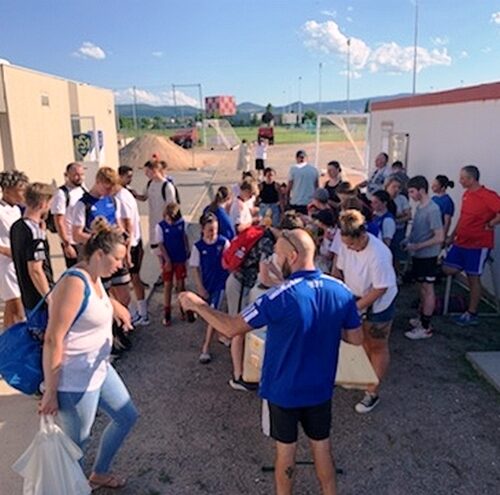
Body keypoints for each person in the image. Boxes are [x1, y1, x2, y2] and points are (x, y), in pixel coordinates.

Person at [179, 229, 363, 495]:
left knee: (286, 452)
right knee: (322, 446)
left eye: (278, 255)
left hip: (283, 390)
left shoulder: (279, 297)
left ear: (292, 256)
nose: (276, 260)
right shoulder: (341, 290)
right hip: (320, 388)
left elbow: (231, 328)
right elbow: (356, 340)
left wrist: (198, 305)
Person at [39, 219, 138, 490]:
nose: (121, 264)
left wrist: (115, 306)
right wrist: (51, 392)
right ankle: (72, 487)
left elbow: (92, 303)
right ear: (99, 255)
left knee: (127, 416)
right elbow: (53, 339)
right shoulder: (74, 283)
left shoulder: (95, 277)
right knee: (77, 445)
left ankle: (98, 474)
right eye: (117, 259)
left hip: (99, 370)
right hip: (75, 380)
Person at [334, 209, 398, 414]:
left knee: (377, 345)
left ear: (362, 235)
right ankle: (362, 376)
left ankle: (372, 392)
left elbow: (380, 288)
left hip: (378, 303)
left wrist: (354, 308)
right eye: (346, 244)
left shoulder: (379, 254)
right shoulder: (346, 243)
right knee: (359, 340)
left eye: (352, 244)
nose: (349, 248)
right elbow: (339, 269)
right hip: (355, 295)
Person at [443, 165, 500, 326]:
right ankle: (461, 301)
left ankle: (471, 313)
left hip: (478, 245)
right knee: (447, 268)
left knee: (473, 277)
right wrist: (452, 236)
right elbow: (463, 218)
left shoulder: (487, 195)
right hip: (461, 242)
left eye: (462, 178)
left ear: (471, 179)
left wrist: (491, 223)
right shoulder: (467, 194)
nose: (460, 181)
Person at [72, 167, 130, 301]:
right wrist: (100, 241)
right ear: (98, 182)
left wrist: (124, 239)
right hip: (99, 257)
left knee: (124, 297)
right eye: (107, 188)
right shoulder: (83, 204)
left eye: (112, 189)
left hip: (115, 254)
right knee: (103, 297)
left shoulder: (112, 200)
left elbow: (118, 225)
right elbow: (76, 235)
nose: (109, 192)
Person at [404, 176, 444, 340]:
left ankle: (426, 327)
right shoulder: (420, 207)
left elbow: (439, 237)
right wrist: (409, 241)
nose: (411, 195)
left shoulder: (433, 210)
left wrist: (418, 246)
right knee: (421, 288)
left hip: (428, 256)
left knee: (428, 289)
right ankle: (422, 318)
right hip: (418, 255)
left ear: (421, 190)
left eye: (412, 192)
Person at [189, 212, 230, 363]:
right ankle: (221, 335)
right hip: (207, 283)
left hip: (220, 283)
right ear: (202, 229)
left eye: (215, 229)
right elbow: (195, 268)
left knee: (213, 312)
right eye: (210, 230)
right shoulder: (198, 247)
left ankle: (206, 347)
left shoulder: (223, 242)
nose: (213, 233)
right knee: (210, 312)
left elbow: (229, 262)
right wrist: (200, 287)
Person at [10, 182, 54, 316]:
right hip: (39, 300)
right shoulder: (34, 232)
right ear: (43, 204)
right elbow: (35, 270)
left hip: (27, 296)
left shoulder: (16, 226)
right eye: (49, 203)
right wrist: (49, 298)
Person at [117, 165, 149, 325]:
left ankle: (140, 313)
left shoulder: (124, 195)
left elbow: (128, 223)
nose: (130, 179)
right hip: (134, 240)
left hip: (133, 242)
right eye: (128, 176)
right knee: (131, 279)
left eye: (131, 176)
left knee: (133, 279)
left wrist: (128, 248)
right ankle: (138, 312)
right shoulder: (124, 194)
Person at [0, 170, 28, 327]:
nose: (23, 193)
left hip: (17, 261)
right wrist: (6, 250)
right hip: (5, 264)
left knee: (11, 307)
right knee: (17, 306)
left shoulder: (17, 210)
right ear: (7, 190)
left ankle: (6, 339)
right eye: (20, 190)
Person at [155, 202, 190, 326]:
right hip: (168, 259)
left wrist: (187, 249)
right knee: (168, 285)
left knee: (181, 285)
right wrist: (167, 260)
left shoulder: (182, 223)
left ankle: (184, 308)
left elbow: (184, 237)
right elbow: (160, 244)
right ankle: (167, 312)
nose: (170, 222)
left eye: (172, 220)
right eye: (168, 219)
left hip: (180, 258)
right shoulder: (160, 227)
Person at [134, 159, 176, 253]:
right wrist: (134, 194)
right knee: (156, 250)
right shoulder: (150, 184)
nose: (145, 174)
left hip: (164, 224)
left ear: (154, 170)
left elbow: (172, 207)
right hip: (153, 224)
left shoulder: (167, 186)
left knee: (165, 251)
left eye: (147, 171)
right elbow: (144, 197)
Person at [50, 162, 86, 268]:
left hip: (84, 239)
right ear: (67, 175)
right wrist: (67, 244)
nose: (79, 177)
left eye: (82, 174)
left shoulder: (83, 190)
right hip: (72, 242)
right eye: (76, 175)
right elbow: (59, 221)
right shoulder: (61, 194)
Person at [287, 150, 319, 215]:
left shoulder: (293, 169)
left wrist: (287, 199)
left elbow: (289, 186)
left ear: (296, 158)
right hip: (310, 202)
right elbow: (317, 187)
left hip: (296, 201)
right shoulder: (314, 170)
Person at [431, 175, 455, 239]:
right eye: (432, 184)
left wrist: (442, 236)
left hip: (438, 232)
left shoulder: (447, 201)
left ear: (443, 188)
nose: (432, 187)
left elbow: (447, 221)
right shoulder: (433, 198)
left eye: (435, 185)